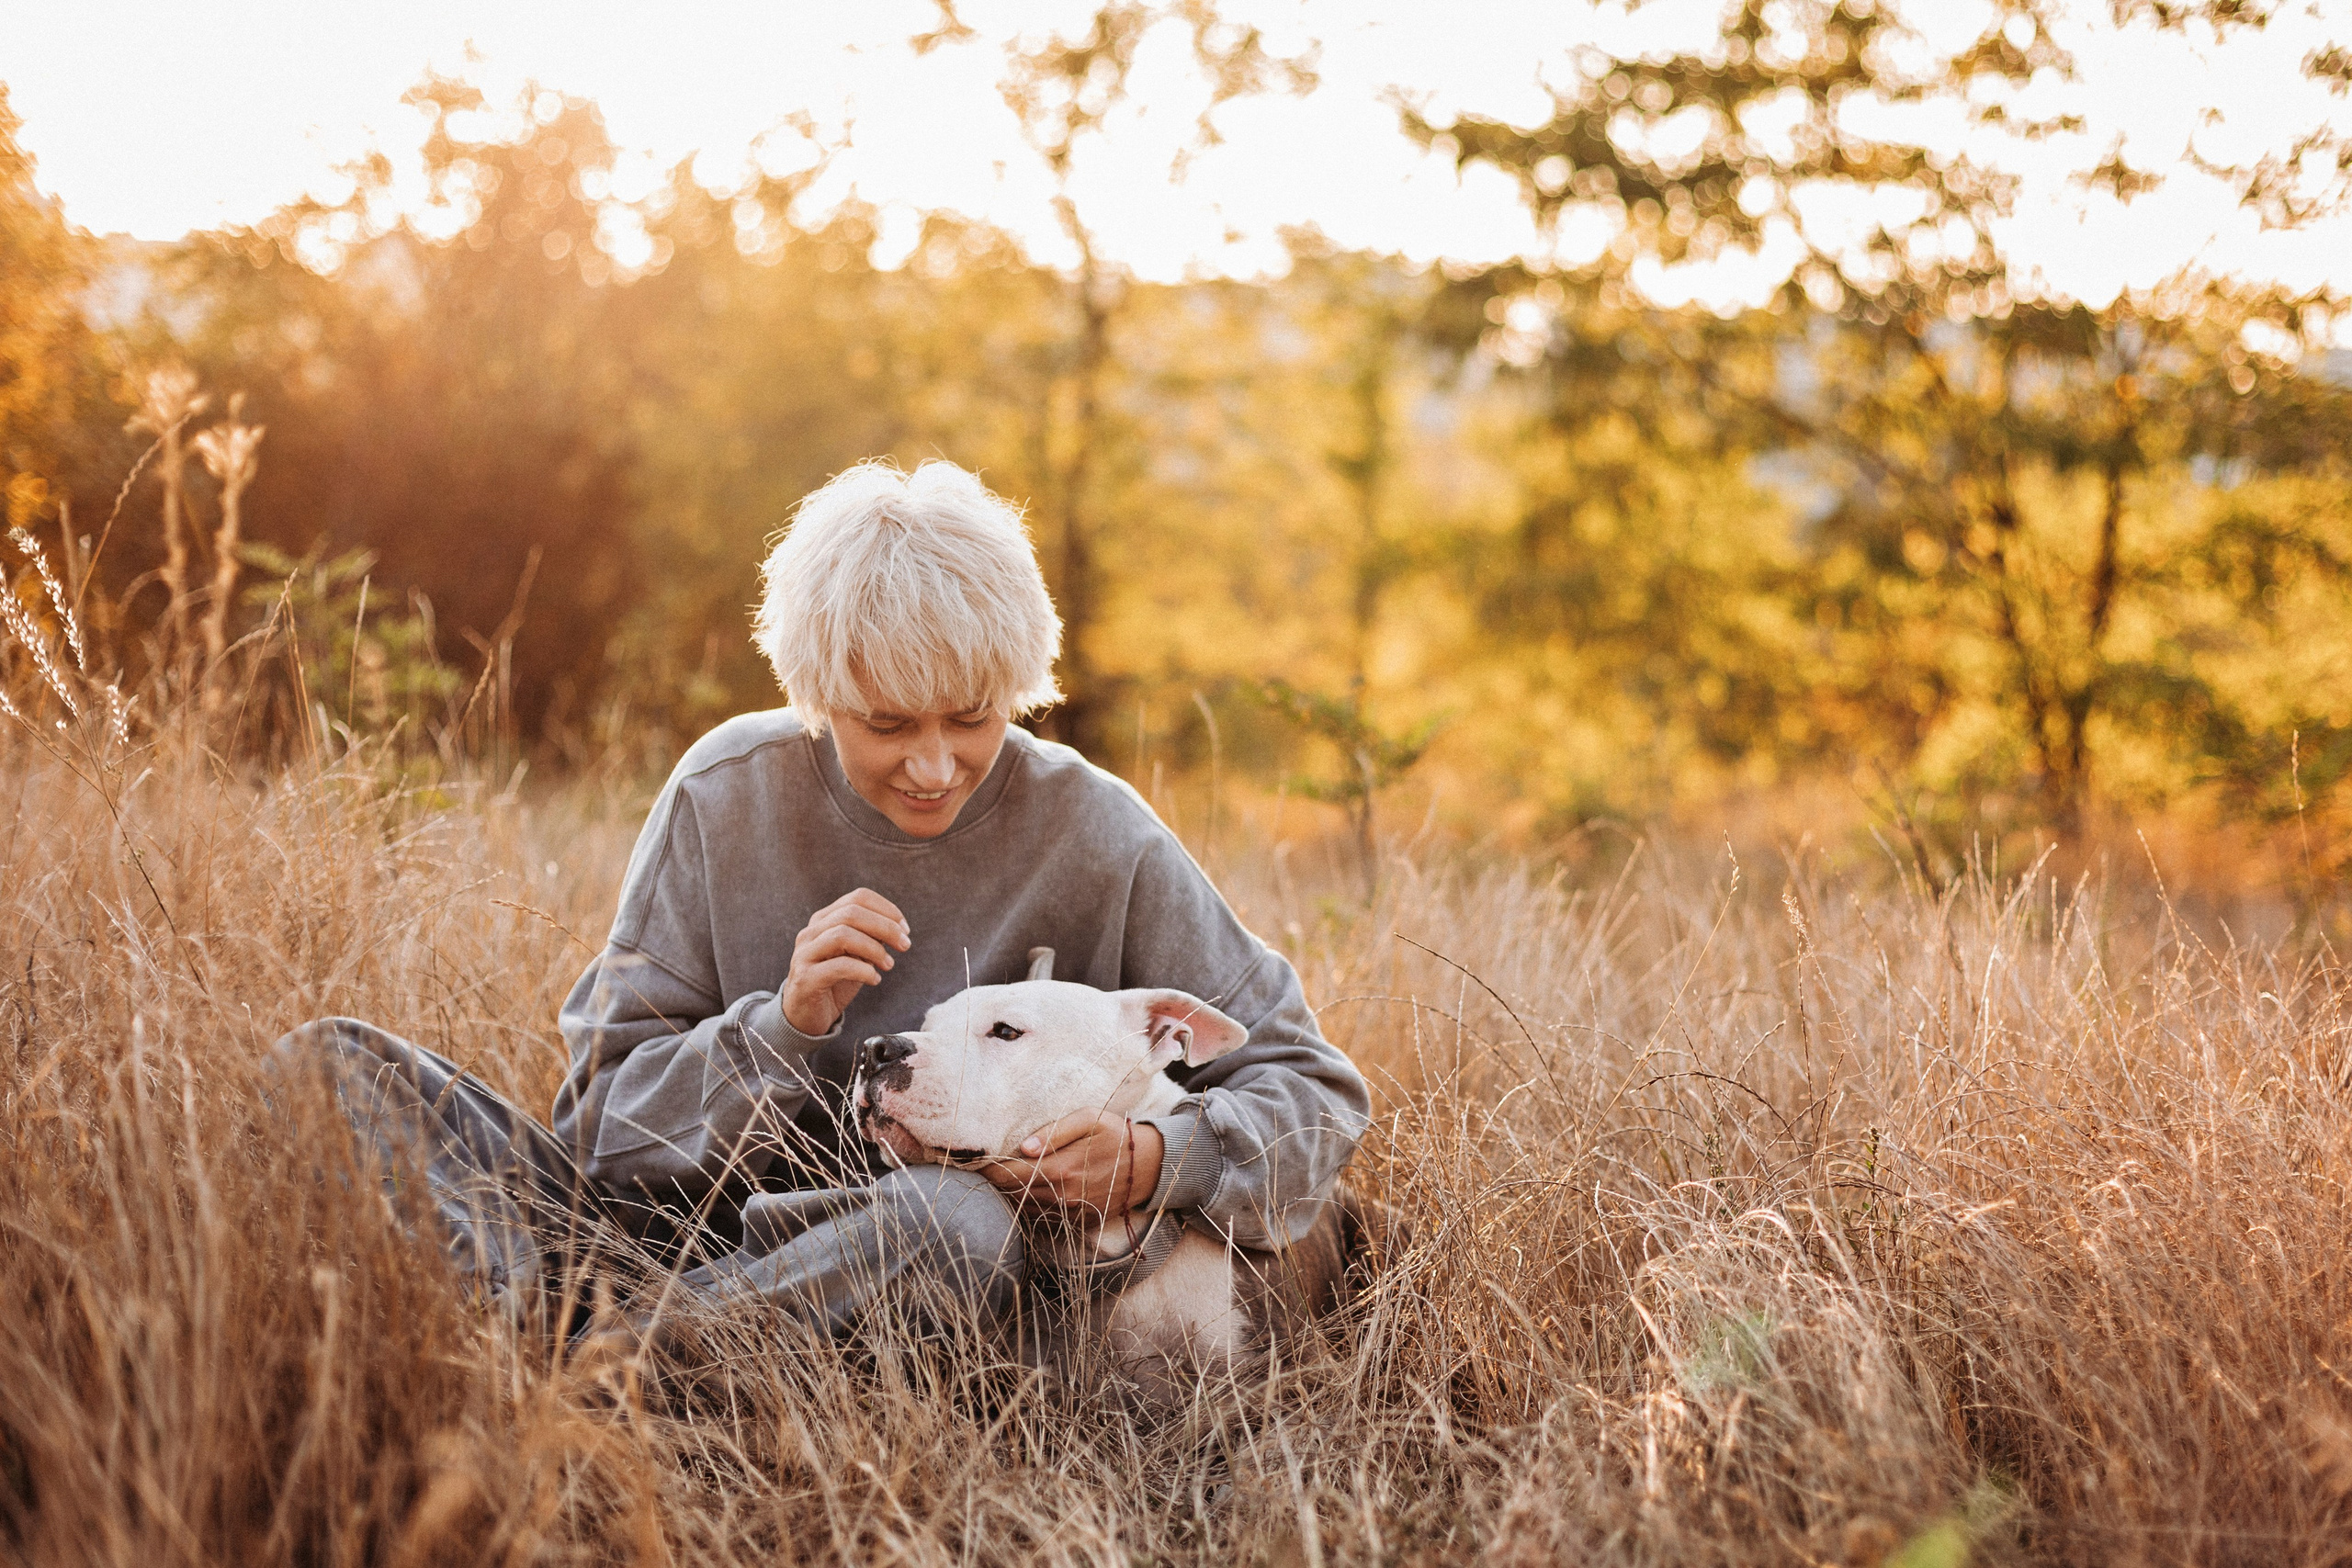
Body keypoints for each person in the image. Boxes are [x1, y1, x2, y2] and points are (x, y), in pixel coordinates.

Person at [285, 458, 1370, 1345]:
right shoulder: (724, 796)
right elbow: (599, 1135)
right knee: (329, 1064)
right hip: (667, 1241)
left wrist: (1153, 1160)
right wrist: (782, 1026)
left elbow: (1313, 1088)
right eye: (887, 726)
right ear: (815, 696)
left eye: (973, 718)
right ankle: (627, 1342)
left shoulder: (1097, 830)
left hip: (897, 1264)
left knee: (951, 1223)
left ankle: (578, 1367)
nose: (937, 767)